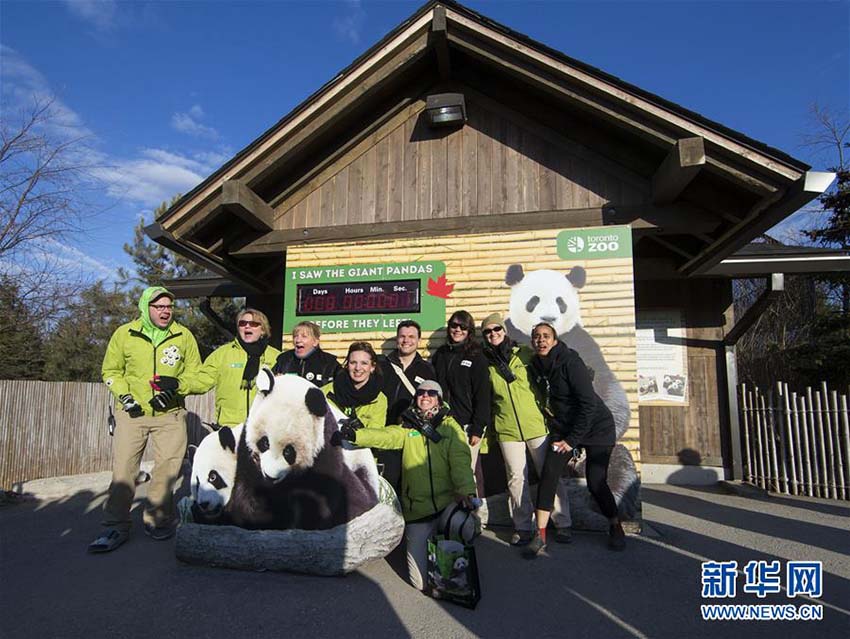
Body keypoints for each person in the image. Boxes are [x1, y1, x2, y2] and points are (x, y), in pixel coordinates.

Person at [89, 286, 201, 553]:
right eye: (158, 306)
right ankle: (115, 525)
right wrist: (125, 397)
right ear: (145, 307)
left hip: (170, 413)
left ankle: (158, 519)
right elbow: (111, 370)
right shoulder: (124, 334)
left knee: (168, 469)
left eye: (168, 307)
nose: (165, 311)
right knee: (124, 470)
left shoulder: (183, 336)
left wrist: (176, 388)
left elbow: (197, 375)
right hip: (132, 414)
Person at [337, 380, 477, 591]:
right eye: (421, 393)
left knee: (463, 523)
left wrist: (467, 491)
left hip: (444, 504)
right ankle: (433, 549)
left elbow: (460, 462)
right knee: (419, 583)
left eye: (431, 393)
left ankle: (450, 547)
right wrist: (357, 435)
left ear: (439, 399)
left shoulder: (449, 427)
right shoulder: (408, 427)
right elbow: (386, 436)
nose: (425, 396)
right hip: (418, 509)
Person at [525, 322, 625, 557]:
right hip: (565, 426)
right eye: (537, 337)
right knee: (549, 472)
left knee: (596, 481)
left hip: (596, 427)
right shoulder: (537, 366)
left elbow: (588, 405)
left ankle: (615, 525)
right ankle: (539, 536)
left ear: (555, 340)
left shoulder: (570, 362)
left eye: (546, 336)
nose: (541, 340)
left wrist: (571, 442)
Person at [480, 313, 572, 546]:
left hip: (535, 425)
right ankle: (523, 526)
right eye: (488, 332)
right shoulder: (485, 362)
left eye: (497, 329)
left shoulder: (524, 353)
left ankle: (562, 522)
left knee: (549, 474)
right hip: (507, 427)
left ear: (504, 331)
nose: (493, 334)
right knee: (516, 478)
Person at [184, 308, 281, 428]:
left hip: (263, 428)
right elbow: (201, 380)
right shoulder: (222, 354)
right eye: (242, 323)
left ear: (263, 330)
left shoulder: (276, 357)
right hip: (229, 427)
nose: (247, 326)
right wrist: (177, 385)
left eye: (254, 324)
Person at [378, 320, 437, 489]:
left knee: (413, 483)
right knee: (389, 483)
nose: (406, 340)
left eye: (411, 336)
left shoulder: (427, 369)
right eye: (402, 336)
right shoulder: (382, 365)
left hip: (414, 434)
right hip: (385, 432)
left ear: (419, 340)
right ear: (397, 339)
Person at [431, 310, 491, 468]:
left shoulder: (477, 356)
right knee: (445, 472)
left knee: (465, 473)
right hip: (443, 424)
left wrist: (478, 428)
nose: (458, 330)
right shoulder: (441, 355)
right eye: (454, 325)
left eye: (463, 327)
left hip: (467, 425)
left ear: (469, 331)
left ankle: (472, 495)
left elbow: (483, 395)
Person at [324, 342, 387, 431]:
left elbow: (376, 434)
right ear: (347, 365)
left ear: (372, 367)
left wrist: (360, 431)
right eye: (353, 362)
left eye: (364, 363)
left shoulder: (379, 400)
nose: (358, 368)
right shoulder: (326, 392)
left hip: (362, 444)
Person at [273, 320, 340, 387]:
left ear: (315, 342)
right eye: (295, 336)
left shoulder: (330, 363)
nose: (298, 340)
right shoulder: (284, 360)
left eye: (304, 336)